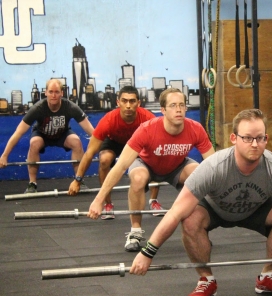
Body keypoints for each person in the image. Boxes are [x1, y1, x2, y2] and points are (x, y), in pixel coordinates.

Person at [127, 108, 272, 296]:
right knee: (190, 216)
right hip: (215, 209)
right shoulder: (214, 167)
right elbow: (175, 211)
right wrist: (148, 252)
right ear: (234, 138)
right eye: (247, 138)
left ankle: (268, 276)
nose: (254, 144)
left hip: (256, 209)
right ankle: (205, 280)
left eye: (260, 138)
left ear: (266, 139)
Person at [87, 88, 215, 251]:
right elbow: (121, 166)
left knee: (199, 174)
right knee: (138, 178)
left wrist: (226, 195)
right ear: (163, 110)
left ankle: (197, 230)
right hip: (146, 164)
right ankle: (135, 231)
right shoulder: (147, 129)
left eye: (182, 105)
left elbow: (213, 166)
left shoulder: (195, 128)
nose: (178, 109)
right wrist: (99, 200)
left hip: (176, 165)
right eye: (173, 105)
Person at [68, 86, 164, 220]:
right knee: (104, 160)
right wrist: (77, 180)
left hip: (137, 143)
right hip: (114, 142)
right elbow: (89, 152)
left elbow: (160, 145)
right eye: (124, 101)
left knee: (154, 157)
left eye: (132, 101)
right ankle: (107, 204)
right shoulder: (109, 120)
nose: (128, 105)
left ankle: (153, 201)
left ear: (138, 103)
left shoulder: (148, 118)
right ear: (118, 103)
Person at [0, 79, 94, 193]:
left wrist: (105, 149)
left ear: (62, 93)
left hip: (62, 133)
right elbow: (18, 132)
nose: (54, 95)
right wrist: (4, 156)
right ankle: (32, 184)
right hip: (42, 134)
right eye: (51, 92)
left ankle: (79, 181)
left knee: (76, 141)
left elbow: (91, 131)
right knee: (34, 143)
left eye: (57, 92)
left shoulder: (70, 107)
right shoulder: (38, 108)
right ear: (46, 93)